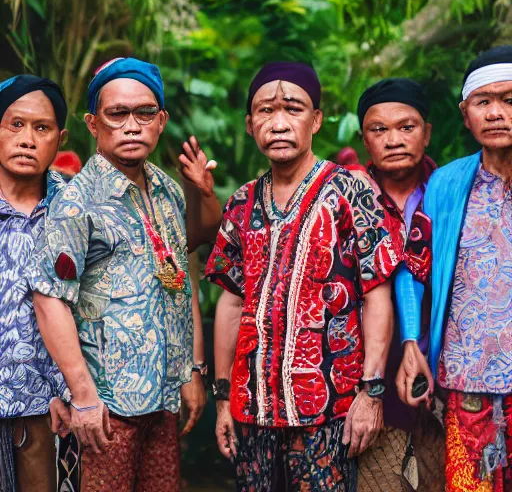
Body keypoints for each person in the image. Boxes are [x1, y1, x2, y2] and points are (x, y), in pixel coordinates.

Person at [206, 61, 401, 491]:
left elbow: (377, 294)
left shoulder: (351, 191)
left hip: (331, 409)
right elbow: (231, 301)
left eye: (292, 109)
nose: (278, 123)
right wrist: (223, 400)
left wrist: (371, 393)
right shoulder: (241, 203)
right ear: (249, 124)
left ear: (315, 120)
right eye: (265, 111)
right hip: (252, 410)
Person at [29, 57, 222, 491]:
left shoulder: (167, 187)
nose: (132, 125)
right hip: (105, 408)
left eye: (144, 113)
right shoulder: (79, 201)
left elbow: (179, 274)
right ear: (93, 124)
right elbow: (49, 298)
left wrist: (193, 369)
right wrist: (82, 397)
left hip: (161, 400)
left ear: (161, 121)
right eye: (117, 114)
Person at [396, 45, 512, 491]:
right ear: (466, 115)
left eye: (509, 99)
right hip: (467, 385)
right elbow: (412, 266)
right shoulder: (446, 183)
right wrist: (411, 342)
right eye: (484, 102)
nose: (497, 112)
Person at [356, 78, 444, 491]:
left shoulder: (452, 193)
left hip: (449, 386)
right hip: (367, 389)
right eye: (379, 130)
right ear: (363, 138)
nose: (393, 139)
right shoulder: (345, 199)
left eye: (406, 127)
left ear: (427, 132)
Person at [0, 74, 71, 491]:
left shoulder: (76, 210)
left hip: (51, 410)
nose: (28, 139)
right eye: (16, 124)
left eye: (41, 128)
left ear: (59, 139)